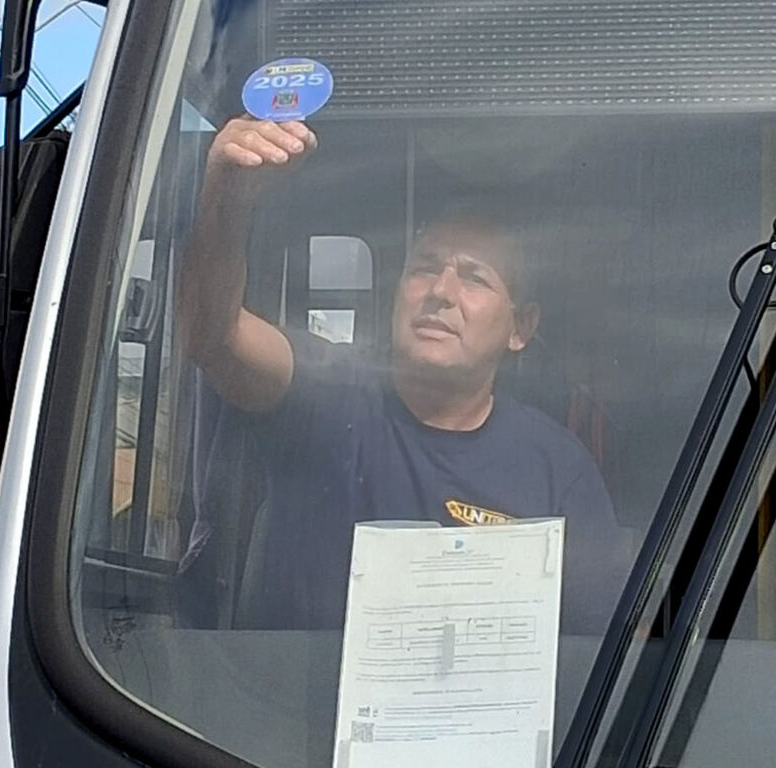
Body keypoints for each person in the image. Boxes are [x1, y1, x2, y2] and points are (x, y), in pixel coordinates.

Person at [179, 117, 627, 633]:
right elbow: (212, 338)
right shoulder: (324, 395)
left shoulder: (557, 468)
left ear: (520, 328)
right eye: (424, 268)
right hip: (292, 689)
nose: (440, 291)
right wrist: (226, 196)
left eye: (474, 278)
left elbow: (599, 643)